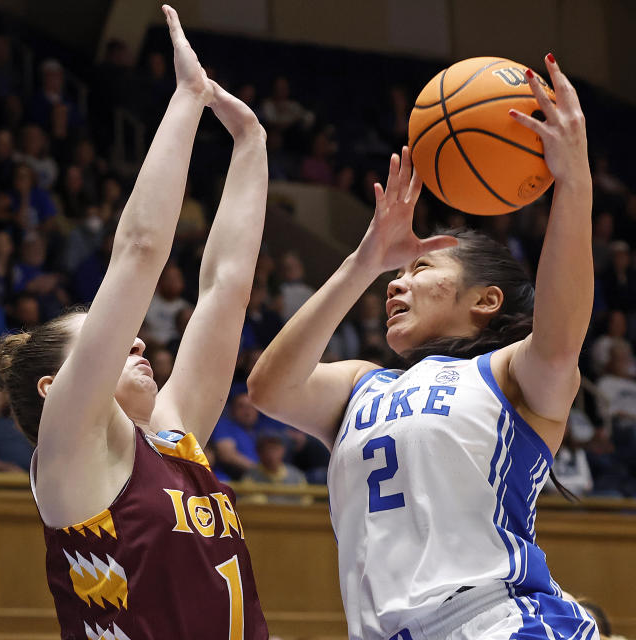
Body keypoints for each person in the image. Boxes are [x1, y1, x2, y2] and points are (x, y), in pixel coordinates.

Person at [249, 56, 599, 639]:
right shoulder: (363, 385)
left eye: (422, 267)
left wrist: (574, 181)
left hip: (501, 622)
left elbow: (563, 335)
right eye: (398, 271)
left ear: (484, 300)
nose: (397, 282)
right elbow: (268, 387)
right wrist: (363, 262)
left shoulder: (511, 373)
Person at [0, 8, 268, 638]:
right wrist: (188, 98)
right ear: (55, 389)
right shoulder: (73, 458)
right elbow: (139, 251)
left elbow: (226, 290)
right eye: (103, 341)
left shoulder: (171, 439)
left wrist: (251, 146)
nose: (136, 337)